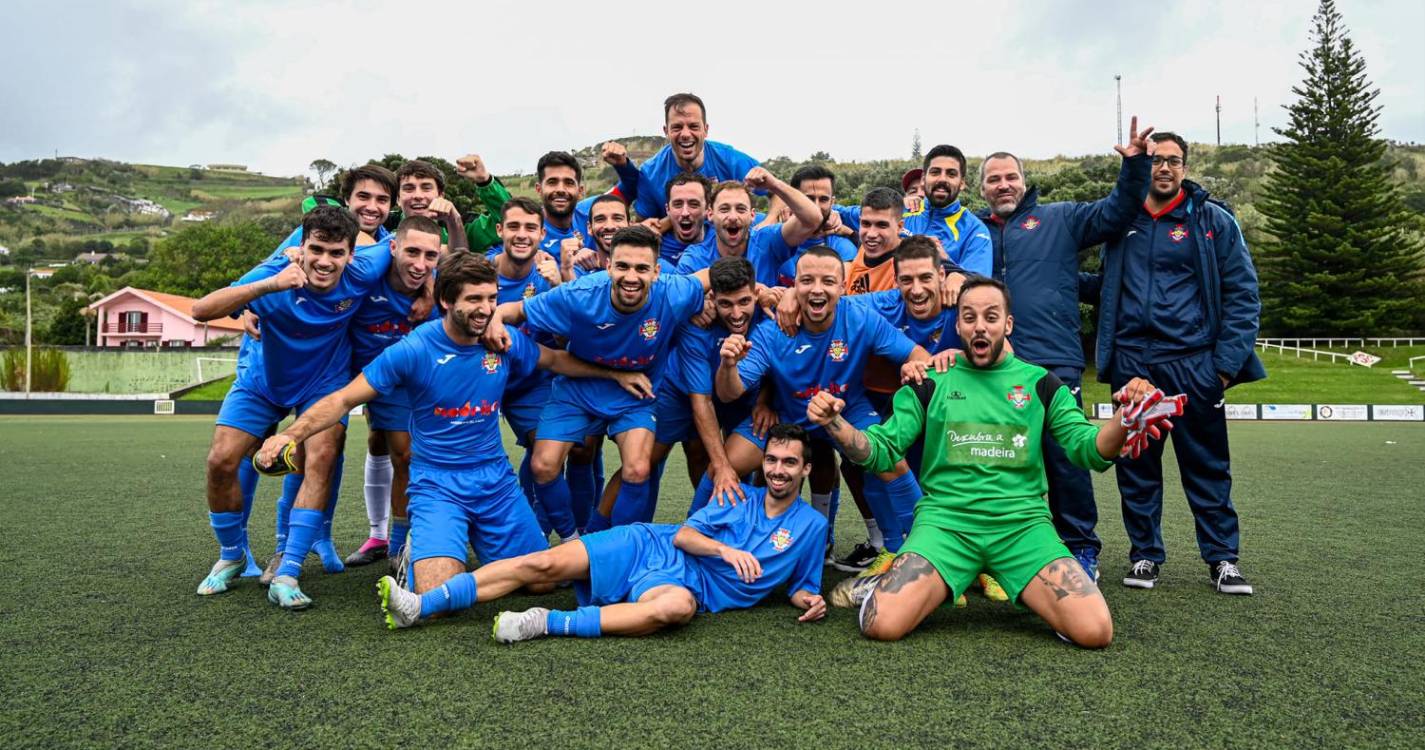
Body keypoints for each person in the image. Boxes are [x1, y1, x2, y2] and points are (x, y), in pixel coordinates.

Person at [252, 252, 654, 607]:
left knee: (542, 586)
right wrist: (291, 434)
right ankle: (422, 549)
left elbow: (554, 360)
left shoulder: (501, 340)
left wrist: (614, 375)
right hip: (437, 484)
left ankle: (478, 546)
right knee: (435, 592)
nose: (486, 309)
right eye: (474, 300)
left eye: (492, 299)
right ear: (446, 301)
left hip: (494, 482)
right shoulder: (413, 350)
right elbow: (343, 399)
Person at [814, 277, 1173, 647]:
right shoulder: (931, 381)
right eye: (969, 317)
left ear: (1008, 324)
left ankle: (1018, 585)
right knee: (880, 625)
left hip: (1022, 527)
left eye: (990, 316)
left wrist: (1124, 420)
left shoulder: (1042, 384)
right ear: (959, 326)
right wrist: (835, 425)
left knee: (1095, 632)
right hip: (946, 524)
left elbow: (1089, 450)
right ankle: (894, 582)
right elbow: (881, 450)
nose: (980, 326)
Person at [375, 423, 828, 641]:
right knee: (546, 562)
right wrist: (725, 552)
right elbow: (684, 537)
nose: (777, 470)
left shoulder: (811, 526)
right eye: (771, 460)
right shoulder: (736, 496)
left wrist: (812, 600)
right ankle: (419, 604)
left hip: (687, 586)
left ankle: (545, 623)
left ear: (806, 469)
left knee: (676, 610)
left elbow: (800, 586)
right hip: (645, 544)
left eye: (789, 463)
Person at [973, 116, 1155, 581]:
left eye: (1010, 176)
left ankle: (1080, 549)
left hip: (1053, 361)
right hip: (990, 367)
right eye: (993, 179)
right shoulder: (972, 233)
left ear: (1025, 181)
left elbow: (1117, 211)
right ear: (983, 190)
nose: (1003, 184)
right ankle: (995, 555)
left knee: (1064, 458)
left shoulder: (1061, 217)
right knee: (997, 458)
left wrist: (1136, 166)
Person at [191, 206, 390, 608]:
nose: (325, 261)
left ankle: (290, 569)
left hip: (323, 383)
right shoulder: (273, 275)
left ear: (352, 254)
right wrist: (268, 286)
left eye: (336, 253)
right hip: (263, 381)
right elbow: (201, 310)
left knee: (322, 456)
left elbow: (409, 248)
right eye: (316, 249)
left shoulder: (365, 269)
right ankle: (232, 556)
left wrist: (424, 294)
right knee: (220, 461)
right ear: (301, 247)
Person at [1091, 132, 1263, 594]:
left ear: (1184, 167)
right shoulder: (1121, 220)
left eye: (1174, 160)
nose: (1164, 168)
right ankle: (1145, 555)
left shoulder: (1213, 221)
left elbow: (1244, 296)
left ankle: (1223, 559)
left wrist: (1223, 367)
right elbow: (1105, 285)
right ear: (1143, 167)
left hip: (1194, 363)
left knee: (1206, 465)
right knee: (1137, 467)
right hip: (1132, 363)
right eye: (1155, 160)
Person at [481, 226, 734, 536]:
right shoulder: (579, 295)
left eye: (642, 268)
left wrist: (758, 292)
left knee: (639, 469)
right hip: (577, 388)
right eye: (623, 266)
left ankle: (618, 546)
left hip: (635, 393)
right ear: (609, 266)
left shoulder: (674, 292)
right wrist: (494, 318)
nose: (631, 276)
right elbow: (515, 310)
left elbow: (713, 273)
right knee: (542, 466)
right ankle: (571, 538)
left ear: (656, 272)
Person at [713, 247, 932, 564]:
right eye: (807, 281)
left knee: (890, 460)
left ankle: (916, 547)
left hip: (846, 411)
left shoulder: (860, 317)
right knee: (726, 465)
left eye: (828, 281)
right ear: (795, 286)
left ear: (842, 287)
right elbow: (729, 393)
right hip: (787, 415)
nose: (817, 289)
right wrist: (728, 366)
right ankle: (712, 543)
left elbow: (918, 355)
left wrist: (915, 367)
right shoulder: (771, 330)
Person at [343, 216, 444, 568]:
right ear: (393, 248)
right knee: (390, 450)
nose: (420, 264)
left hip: (421, 382)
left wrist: (431, 288)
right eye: (412, 252)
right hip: (369, 377)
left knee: (409, 454)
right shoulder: (363, 279)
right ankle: (386, 539)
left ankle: (406, 541)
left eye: (429, 256)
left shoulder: (439, 285)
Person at [624, 93, 760, 222]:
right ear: (666, 131)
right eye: (677, 127)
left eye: (693, 126)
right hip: (677, 241)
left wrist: (769, 221)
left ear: (705, 130)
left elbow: (775, 193)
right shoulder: (650, 173)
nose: (685, 134)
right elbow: (645, 226)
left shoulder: (732, 160)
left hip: (726, 234)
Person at [675, 168, 821, 286]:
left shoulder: (767, 241)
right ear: (710, 215)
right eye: (724, 209)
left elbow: (813, 219)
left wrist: (774, 185)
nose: (733, 217)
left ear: (752, 215)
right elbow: (678, 298)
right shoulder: (695, 258)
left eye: (740, 209)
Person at [902, 145, 992, 275]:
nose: (942, 179)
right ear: (923, 179)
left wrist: (945, 261)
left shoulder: (975, 229)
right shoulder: (901, 211)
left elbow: (980, 285)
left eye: (951, 174)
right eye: (935, 172)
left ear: (962, 183)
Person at [774, 165, 859, 286]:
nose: (816, 207)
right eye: (809, 199)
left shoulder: (843, 248)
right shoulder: (771, 240)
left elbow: (840, 290)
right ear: (792, 200)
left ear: (832, 203)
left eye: (823, 199)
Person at [455, 153, 515, 254]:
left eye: (427, 188)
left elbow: (509, 216)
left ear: (441, 194)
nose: (418, 196)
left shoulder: (466, 229)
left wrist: (484, 181)